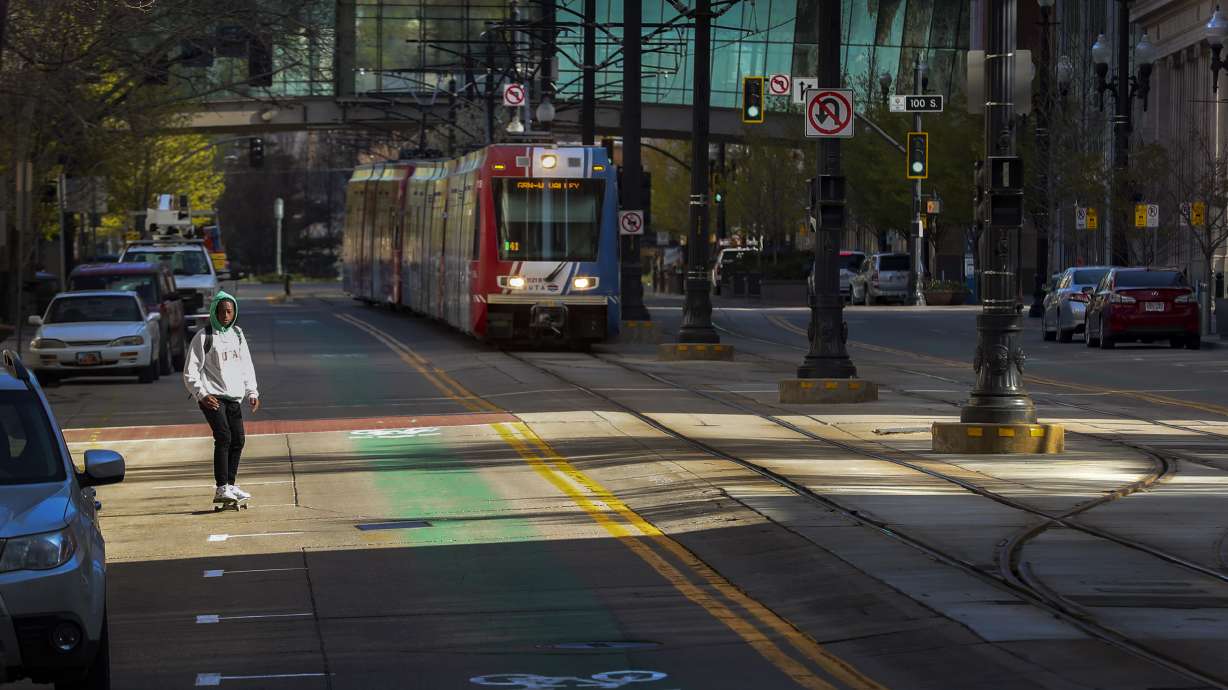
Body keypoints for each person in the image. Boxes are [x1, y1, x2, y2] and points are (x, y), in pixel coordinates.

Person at [183, 290, 260, 505]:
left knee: (239, 439)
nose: (226, 315)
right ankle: (221, 487)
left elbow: (247, 366)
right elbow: (190, 371)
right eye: (222, 311)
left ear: (234, 312)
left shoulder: (237, 334)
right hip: (212, 397)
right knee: (224, 437)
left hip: (233, 396)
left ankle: (231, 485)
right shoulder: (204, 336)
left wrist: (252, 391)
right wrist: (201, 394)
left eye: (229, 311)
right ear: (214, 312)